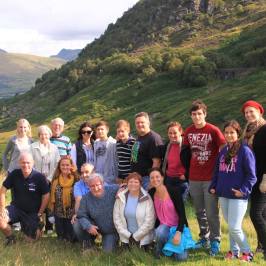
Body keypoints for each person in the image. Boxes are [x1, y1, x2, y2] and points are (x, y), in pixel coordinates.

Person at [182, 99, 226, 256]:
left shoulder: (213, 130)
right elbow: (185, 153)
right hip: (194, 177)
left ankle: (216, 240)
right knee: (199, 210)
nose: (196, 117)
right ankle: (204, 238)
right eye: (193, 114)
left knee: (212, 211)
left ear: (205, 114)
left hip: (210, 177)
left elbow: (223, 149)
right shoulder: (188, 131)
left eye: (199, 113)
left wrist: (220, 173)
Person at [209, 120, 256, 262]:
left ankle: (247, 253)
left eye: (232, 132)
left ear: (238, 134)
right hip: (224, 194)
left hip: (238, 196)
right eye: (227, 132)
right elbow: (217, 171)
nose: (229, 135)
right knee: (231, 226)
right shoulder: (223, 151)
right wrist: (214, 185)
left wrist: (243, 190)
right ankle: (233, 251)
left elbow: (251, 175)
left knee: (235, 227)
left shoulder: (245, 151)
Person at [0, 153, 50, 245]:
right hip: (16, 209)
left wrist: (40, 213)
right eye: (23, 162)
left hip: (32, 213)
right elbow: (3, 190)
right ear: (19, 163)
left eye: (28, 162)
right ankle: (10, 238)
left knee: (31, 240)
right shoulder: (15, 174)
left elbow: (46, 196)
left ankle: (38, 226)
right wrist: (2, 208)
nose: (25, 165)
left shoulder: (39, 177)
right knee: (0, 219)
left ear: (33, 163)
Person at [242, 100, 266, 260]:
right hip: (252, 176)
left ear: (259, 112)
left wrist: (265, 179)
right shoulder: (248, 131)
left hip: (262, 178)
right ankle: (261, 246)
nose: (249, 114)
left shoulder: (264, 129)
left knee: (255, 214)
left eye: (252, 111)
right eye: (246, 112)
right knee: (263, 214)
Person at [148, 167, 189, 261]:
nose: (155, 179)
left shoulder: (174, 191)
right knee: (159, 232)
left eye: (157, 176)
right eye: (152, 177)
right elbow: (139, 196)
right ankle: (160, 248)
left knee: (181, 259)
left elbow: (182, 215)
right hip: (163, 227)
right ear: (150, 180)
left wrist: (179, 232)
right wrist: (122, 190)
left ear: (162, 178)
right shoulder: (151, 193)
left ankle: (173, 245)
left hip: (177, 227)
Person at [73, 173, 119, 252]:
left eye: (98, 185)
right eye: (92, 186)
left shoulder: (112, 189)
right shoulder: (86, 198)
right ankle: (88, 245)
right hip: (95, 226)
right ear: (88, 186)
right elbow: (81, 215)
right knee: (77, 224)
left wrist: (121, 189)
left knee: (107, 253)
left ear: (103, 183)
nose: (96, 188)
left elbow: (126, 185)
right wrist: (88, 226)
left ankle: (111, 242)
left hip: (110, 230)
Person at [113, 172, 155, 249]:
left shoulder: (147, 198)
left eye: (136, 182)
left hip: (143, 238)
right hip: (126, 237)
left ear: (140, 184)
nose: (133, 184)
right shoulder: (121, 197)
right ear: (127, 183)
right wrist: (127, 235)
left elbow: (150, 221)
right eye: (131, 182)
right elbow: (116, 219)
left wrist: (136, 236)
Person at [31, 125, 60, 234]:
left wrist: (48, 178)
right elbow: (30, 163)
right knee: (36, 202)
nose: (44, 136)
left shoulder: (54, 147)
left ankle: (49, 226)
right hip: (35, 179)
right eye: (42, 134)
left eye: (46, 134)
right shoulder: (32, 147)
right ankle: (38, 225)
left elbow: (57, 164)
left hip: (50, 180)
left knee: (49, 202)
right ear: (39, 135)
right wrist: (37, 177)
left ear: (49, 135)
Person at [48, 156, 78, 241]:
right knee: (61, 238)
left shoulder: (76, 179)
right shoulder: (55, 180)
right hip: (59, 214)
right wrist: (51, 213)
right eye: (62, 165)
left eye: (67, 165)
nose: (65, 167)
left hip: (72, 214)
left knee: (71, 238)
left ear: (71, 166)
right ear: (59, 166)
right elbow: (51, 198)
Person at [131, 112, 163, 190]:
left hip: (147, 179)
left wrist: (152, 183)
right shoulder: (139, 138)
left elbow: (157, 162)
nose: (139, 125)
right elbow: (134, 157)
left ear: (148, 123)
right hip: (137, 178)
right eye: (137, 123)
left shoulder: (153, 138)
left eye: (142, 122)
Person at [162, 121, 189, 201]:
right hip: (169, 179)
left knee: (181, 205)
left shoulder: (186, 145)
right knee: (170, 204)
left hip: (181, 180)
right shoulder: (168, 144)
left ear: (180, 132)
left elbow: (192, 162)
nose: (172, 135)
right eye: (170, 133)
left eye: (175, 133)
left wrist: (186, 175)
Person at [116, 120, 135, 184]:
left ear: (128, 130)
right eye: (118, 132)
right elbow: (120, 161)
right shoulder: (118, 143)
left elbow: (135, 161)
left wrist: (130, 176)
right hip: (120, 176)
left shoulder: (134, 143)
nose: (120, 134)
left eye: (122, 131)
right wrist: (119, 176)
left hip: (130, 176)